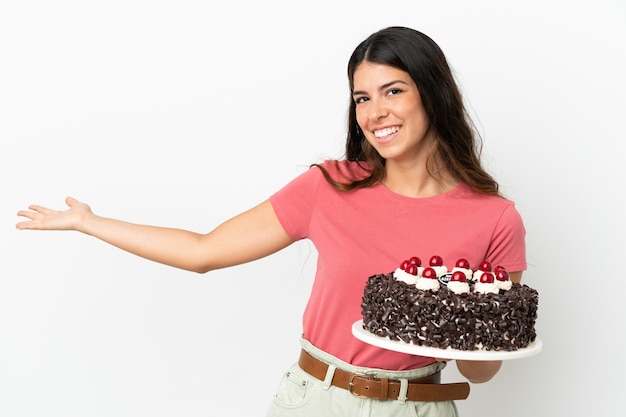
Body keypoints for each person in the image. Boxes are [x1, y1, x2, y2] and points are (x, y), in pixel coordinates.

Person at [16, 26, 526, 417]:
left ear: (432, 93)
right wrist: (90, 222)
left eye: (393, 91)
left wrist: (474, 327)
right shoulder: (330, 187)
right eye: (362, 98)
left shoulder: (494, 218)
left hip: (421, 405)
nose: (375, 113)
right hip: (318, 400)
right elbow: (203, 252)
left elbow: (480, 371)